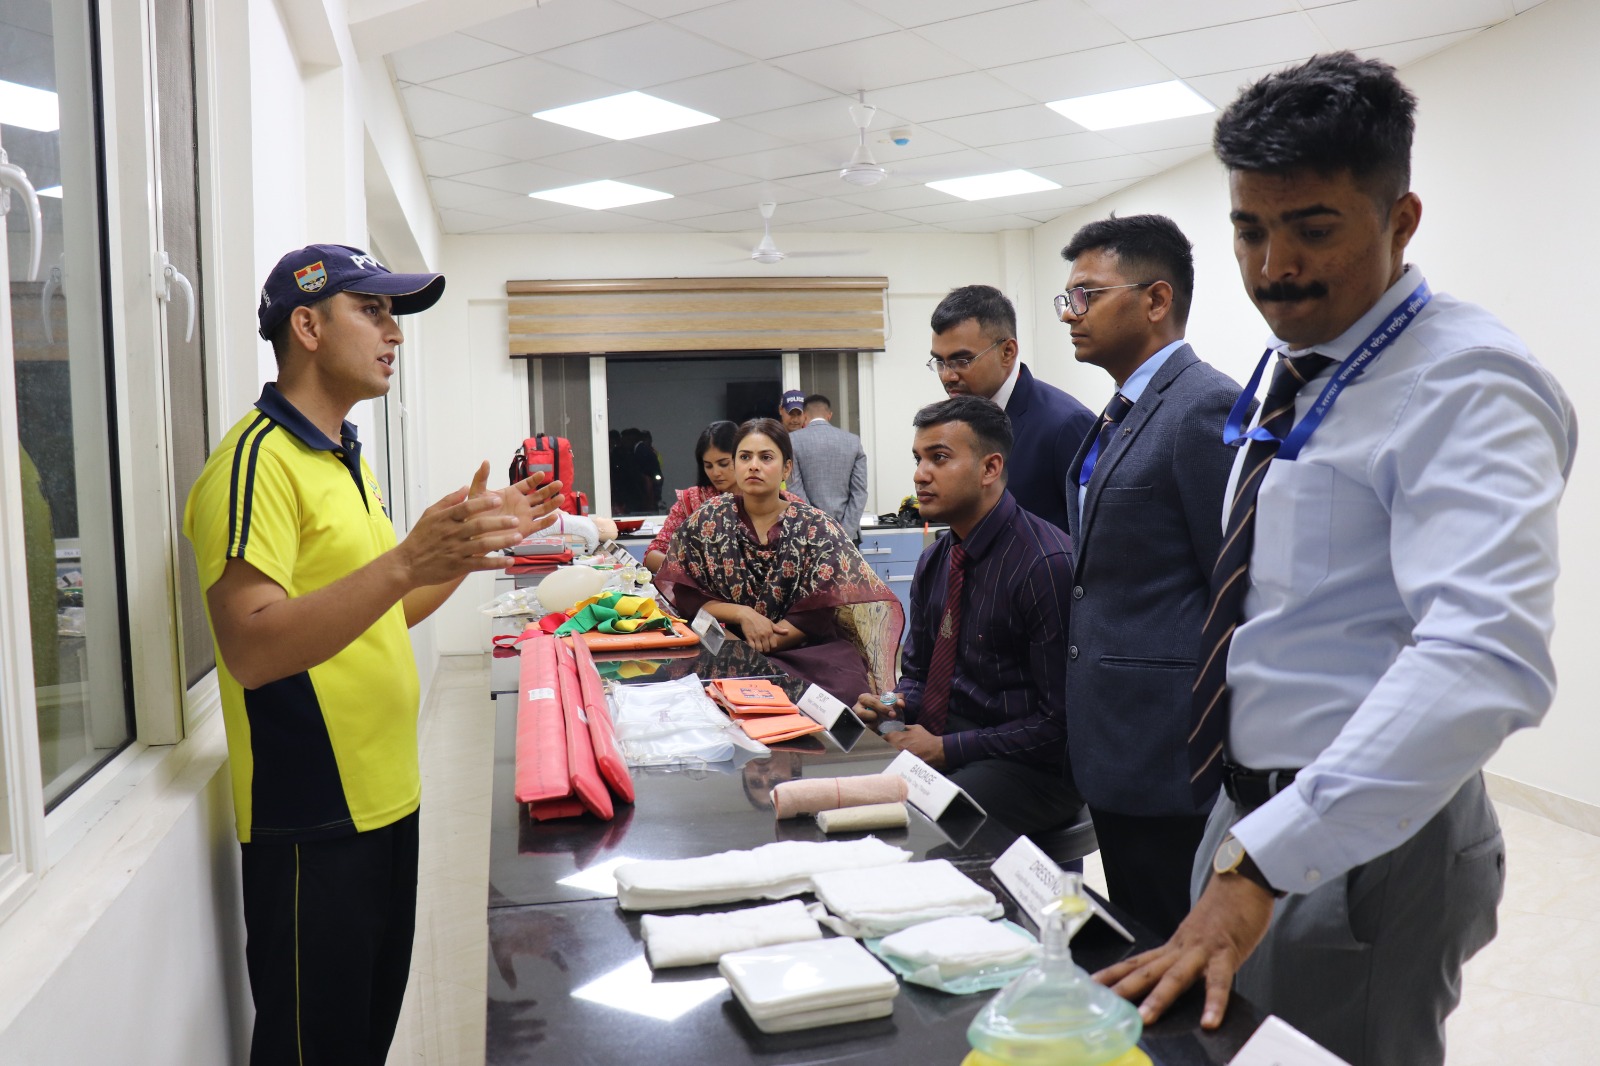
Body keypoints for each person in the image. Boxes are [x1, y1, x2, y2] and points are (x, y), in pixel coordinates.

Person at [1095, 54, 1576, 1066]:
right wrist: (1241, 841)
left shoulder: (1468, 382)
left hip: (1361, 842)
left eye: (1313, 229)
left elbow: (1485, 656)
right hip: (1248, 814)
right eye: (1249, 230)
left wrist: (1267, 861)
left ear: (1401, 220)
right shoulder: (1298, 367)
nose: (1274, 267)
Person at [183, 244, 562, 1065]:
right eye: (373, 311)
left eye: (395, 315)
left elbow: (385, 611)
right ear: (307, 325)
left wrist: (458, 552)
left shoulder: (343, 456)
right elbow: (251, 648)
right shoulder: (255, 461)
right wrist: (403, 562)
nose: (395, 333)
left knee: (363, 1041)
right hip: (311, 816)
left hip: (388, 800)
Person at [1056, 214, 1243, 939]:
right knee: (1137, 933)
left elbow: (1234, 585)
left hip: (1169, 747)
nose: (1070, 313)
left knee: (1176, 939)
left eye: (1086, 295)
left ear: (1156, 299)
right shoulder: (1121, 410)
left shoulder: (1202, 406)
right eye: (1068, 298)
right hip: (1112, 741)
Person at [853, 396, 1081, 839]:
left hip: (1031, 765)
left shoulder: (1045, 564)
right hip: (954, 740)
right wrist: (895, 703)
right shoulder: (936, 560)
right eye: (918, 459)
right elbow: (918, 674)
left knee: (919, 829)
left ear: (990, 468)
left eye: (939, 458)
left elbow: (1060, 725)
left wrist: (946, 749)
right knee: (854, 801)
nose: (920, 474)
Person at [654, 419, 902, 705]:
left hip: (806, 648)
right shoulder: (709, 519)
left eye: (766, 457)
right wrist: (742, 614)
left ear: (787, 468)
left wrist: (764, 644)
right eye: (745, 457)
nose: (753, 466)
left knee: (838, 696)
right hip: (728, 643)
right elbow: (689, 596)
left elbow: (818, 610)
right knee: (689, 695)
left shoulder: (815, 527)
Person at [929, 285, 1095, 531]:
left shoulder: (1065, 424)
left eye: (962, 361)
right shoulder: (958, 425)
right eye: (940, 362)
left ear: (1007, 352)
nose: (947, 376)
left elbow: (1095, 532)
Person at [641, 419, 799, 573]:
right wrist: (696, 574)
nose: (716, 473)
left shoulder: (795, 510)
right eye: (708, 466)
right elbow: (653, 554)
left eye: (723, 464)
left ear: (786, 468)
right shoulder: (696, 505)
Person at [785, 394, 869, 542]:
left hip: (809, 535)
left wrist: (816, 528)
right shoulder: (853, 441)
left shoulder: (792, 441)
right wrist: (845, 532)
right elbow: (860, 492)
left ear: (804, 416)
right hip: (847, 536)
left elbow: (795, 489)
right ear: (829, 415)